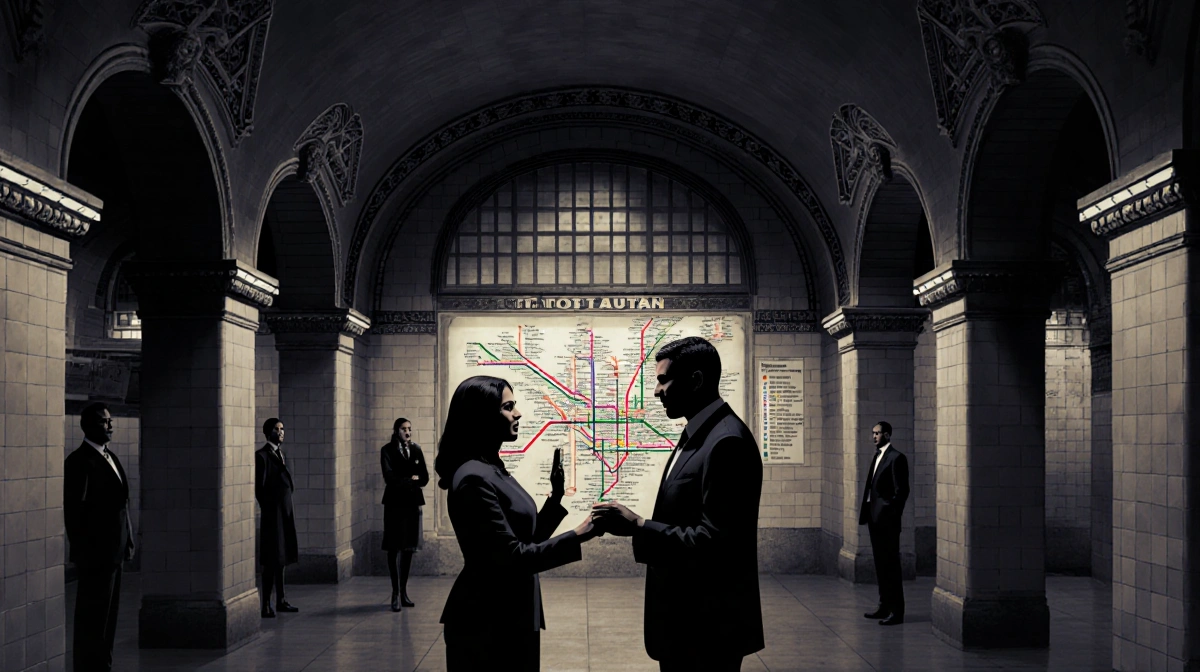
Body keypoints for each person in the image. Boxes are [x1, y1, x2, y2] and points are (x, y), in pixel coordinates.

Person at [592, 336, 764, 672]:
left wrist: (639, 526)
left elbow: (716, 542)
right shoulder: (700, 432)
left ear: (696, 380)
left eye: (663, 380)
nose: (657, 391)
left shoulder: (727, 442)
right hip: (688, 622)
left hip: (708, 628)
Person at [437, 375, 600, 671]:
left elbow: (526, 539)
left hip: (509, 612)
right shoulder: (474, 477)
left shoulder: (490, 467)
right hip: (486, 620)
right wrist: (578, 535)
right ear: (482, 415)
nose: (518, 413)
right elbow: (511, 557)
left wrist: (555, 498)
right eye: (508, 406)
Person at [64, 402, 134, 672]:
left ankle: (103, 662)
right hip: (95, 556)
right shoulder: (79, 462)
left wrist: (127, 538)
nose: (111, 425)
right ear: (89, 426)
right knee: (91, 616)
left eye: (111, 420)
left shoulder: (111, 457)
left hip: (114, 553)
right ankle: (88, 665)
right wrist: (84, 554)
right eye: (105, 421)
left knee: (108, 615)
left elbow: (121, 502)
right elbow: (74, 513)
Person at [860, 421, 909, 626]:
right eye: (873, 433)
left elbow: (902, 491)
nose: (874, 436)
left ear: (888, 435)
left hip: (886, 521)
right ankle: (884, 606)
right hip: (874, 519)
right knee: (881, 565)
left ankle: (897, 612)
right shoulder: (877, 456)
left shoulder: (897, 458)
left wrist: (890, 514)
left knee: (891, 566)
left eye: (878, 433)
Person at [381, 417, 429, 611]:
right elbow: (389, 477)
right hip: (394, 505)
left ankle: (404, 591)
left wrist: (408, 480)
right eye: (403, 429)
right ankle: (395, 593)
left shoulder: (416, 449)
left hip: (411, 505)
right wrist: (411, 479)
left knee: (408, 549)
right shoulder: (387, 450)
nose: (407, 432)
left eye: (409, 429)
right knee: (393, 549)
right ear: (396, 431)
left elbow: (424, 477)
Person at [255, 418, 299, 618]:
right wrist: (270, 510)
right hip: (273, 517)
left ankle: (281, 600)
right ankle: (265, 604)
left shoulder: (281, 453)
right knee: (271, 561)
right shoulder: (262, 456)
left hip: (285, 514)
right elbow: (260, 489)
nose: (280, 432)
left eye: (282, 429)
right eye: (276, 429)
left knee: (281, 559)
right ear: (268, 432)